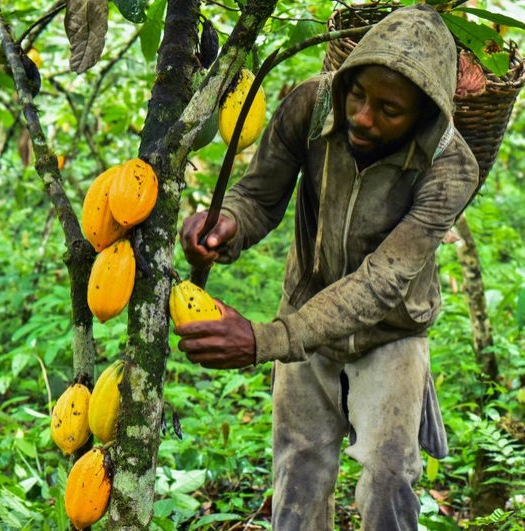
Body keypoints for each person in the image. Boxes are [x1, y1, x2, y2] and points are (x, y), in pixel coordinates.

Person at [175, 4, 481, 530]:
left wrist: (265, 339)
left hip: (391, 333)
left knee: (388, 476)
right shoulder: (310, 107)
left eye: (389, 110)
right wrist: (227, 223)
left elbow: (383, 283)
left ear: (422, 117)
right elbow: (258, 196)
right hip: (306, 308)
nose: (364, 116)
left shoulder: (451, 167)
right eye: (359, 95)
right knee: (299, 474)